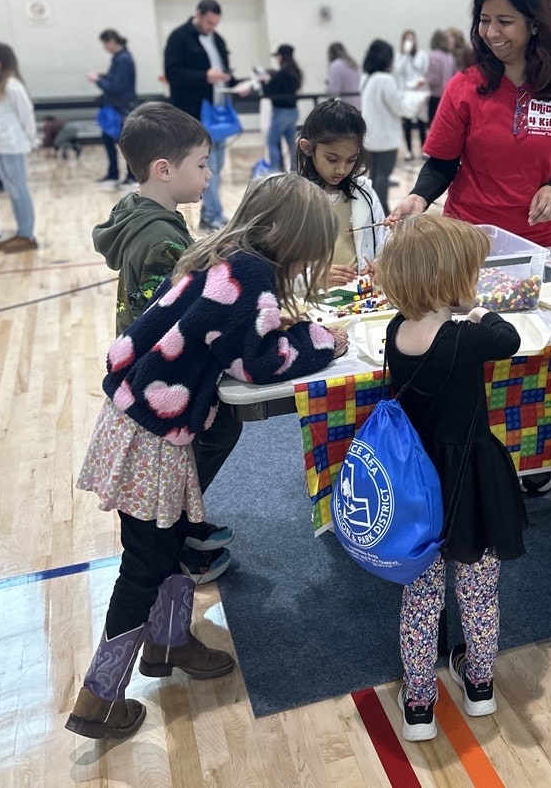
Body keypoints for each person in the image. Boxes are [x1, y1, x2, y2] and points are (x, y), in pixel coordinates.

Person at [66, 172, 349, 741]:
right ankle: (97, 698)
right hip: (151, 433)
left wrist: (279, 326)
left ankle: (169, 643)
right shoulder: (253, 276)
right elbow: (259, 364)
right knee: (145, 561)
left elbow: (228, 336)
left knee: (170, 538)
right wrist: (324, 341)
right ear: (292, 238)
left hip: (138, 420)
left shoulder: (229, 257)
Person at [374, 213, 527, 742]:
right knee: (479, 592)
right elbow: (507, 337)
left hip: (419, 488)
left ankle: (419, 705)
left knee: (421, 599)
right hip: (470, 481)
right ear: (452, 282)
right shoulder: (465, 337)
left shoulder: (397, 331)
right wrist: (478, 308)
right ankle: (480, 684)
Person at [93, 100, 244, 584]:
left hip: (149, 362)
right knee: (213, 432)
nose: (209, 173)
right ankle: (179, 530)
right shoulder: (159, 237)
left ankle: (184, 519)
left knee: (217, 431)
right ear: (163, 169)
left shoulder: (140, 211)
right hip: (163, 371)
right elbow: (180, 310)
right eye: (200, 165)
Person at [389, 0, 551, 252]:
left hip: (543, 243)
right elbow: (442, 163)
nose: (491, 32)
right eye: (484, 20)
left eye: (505, 21)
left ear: (535, 24)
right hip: (471, 239)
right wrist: (420, 196)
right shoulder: (464, 87)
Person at [163, 0, 247, 231]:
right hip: (194, 114)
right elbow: (172, 72)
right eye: (209, 23)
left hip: (218, 111)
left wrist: (236, 83)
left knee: (217, 167)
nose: (212, 28)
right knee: (206, 167)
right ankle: (211, 214)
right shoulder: (179, 37)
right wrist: (203, 76)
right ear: (198, 14)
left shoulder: (217, 39)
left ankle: (212, 213)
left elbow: (225, 71)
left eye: (215, 24)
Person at [296, 97, 387, 286]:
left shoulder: (365, 193)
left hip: (359, 301)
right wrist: (312, 279)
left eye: (351, 160)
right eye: (332, 159)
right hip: (310, 305)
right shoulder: (292, 198)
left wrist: (381, 266)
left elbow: (382, 246)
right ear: (307, 148)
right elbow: (274, 271)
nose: (341, 169)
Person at [0, 42, 38, 253]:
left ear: (2, 59)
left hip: (13, 145)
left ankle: (28, 234)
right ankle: (21, 231)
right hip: (0, 146)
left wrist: (31, 139)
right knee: (11, 190)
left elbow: (27, 115)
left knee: (19, 190)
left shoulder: (12, 85)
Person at [360, 38, 406, 214]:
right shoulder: (385, 79)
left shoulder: (366, 78)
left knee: (374, 175)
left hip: (370, 137)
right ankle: (382, 211)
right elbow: (398, 107)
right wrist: (412, 108)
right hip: (385, 137)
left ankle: (372, 210)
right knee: (383, 176)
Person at [88, 28, 137, 185]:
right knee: (109, 139)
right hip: (115, 106)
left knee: (125, 142)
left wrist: (97, 80)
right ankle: (113, 173)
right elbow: (114, 79)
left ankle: (132, 176)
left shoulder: (123, 59)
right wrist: (101, 76)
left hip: (121, 107)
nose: (104, 48)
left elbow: (116, 87)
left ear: (111, 41)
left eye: (105, 44)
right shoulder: (119, 58)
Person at [263, 43, 302, 172]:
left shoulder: (282, 74)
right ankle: (295, 170)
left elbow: (269, 91)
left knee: (272, 142)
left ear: (282, 56)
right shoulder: (295, 72)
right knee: (292, 144)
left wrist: (264, 81)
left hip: (281, 113)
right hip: (293, 111)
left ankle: (274, 171)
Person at [393, 29, 429, 160]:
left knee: (421, 122)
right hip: (406, 93)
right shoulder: (399, 56)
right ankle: (408, 151)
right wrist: (405, 54)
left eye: (411, 39)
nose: (410, 41)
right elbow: (397, 71)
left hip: (419, 91)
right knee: (407, 123)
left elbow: (424, 71)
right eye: (407, 39)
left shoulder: (422, 55)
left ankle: (424, 149)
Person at [424, 29, 456, 126]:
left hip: (436, 96)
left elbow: (435, 79)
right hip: (448, 95)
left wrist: (425, 80)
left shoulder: (434, 56)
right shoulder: (450, 56)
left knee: (434, 127)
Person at [325, 41, 361, 109]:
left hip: (345, 106)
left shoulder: (336, 65)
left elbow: (334, 90)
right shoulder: (352, 63)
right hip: (359, 103)